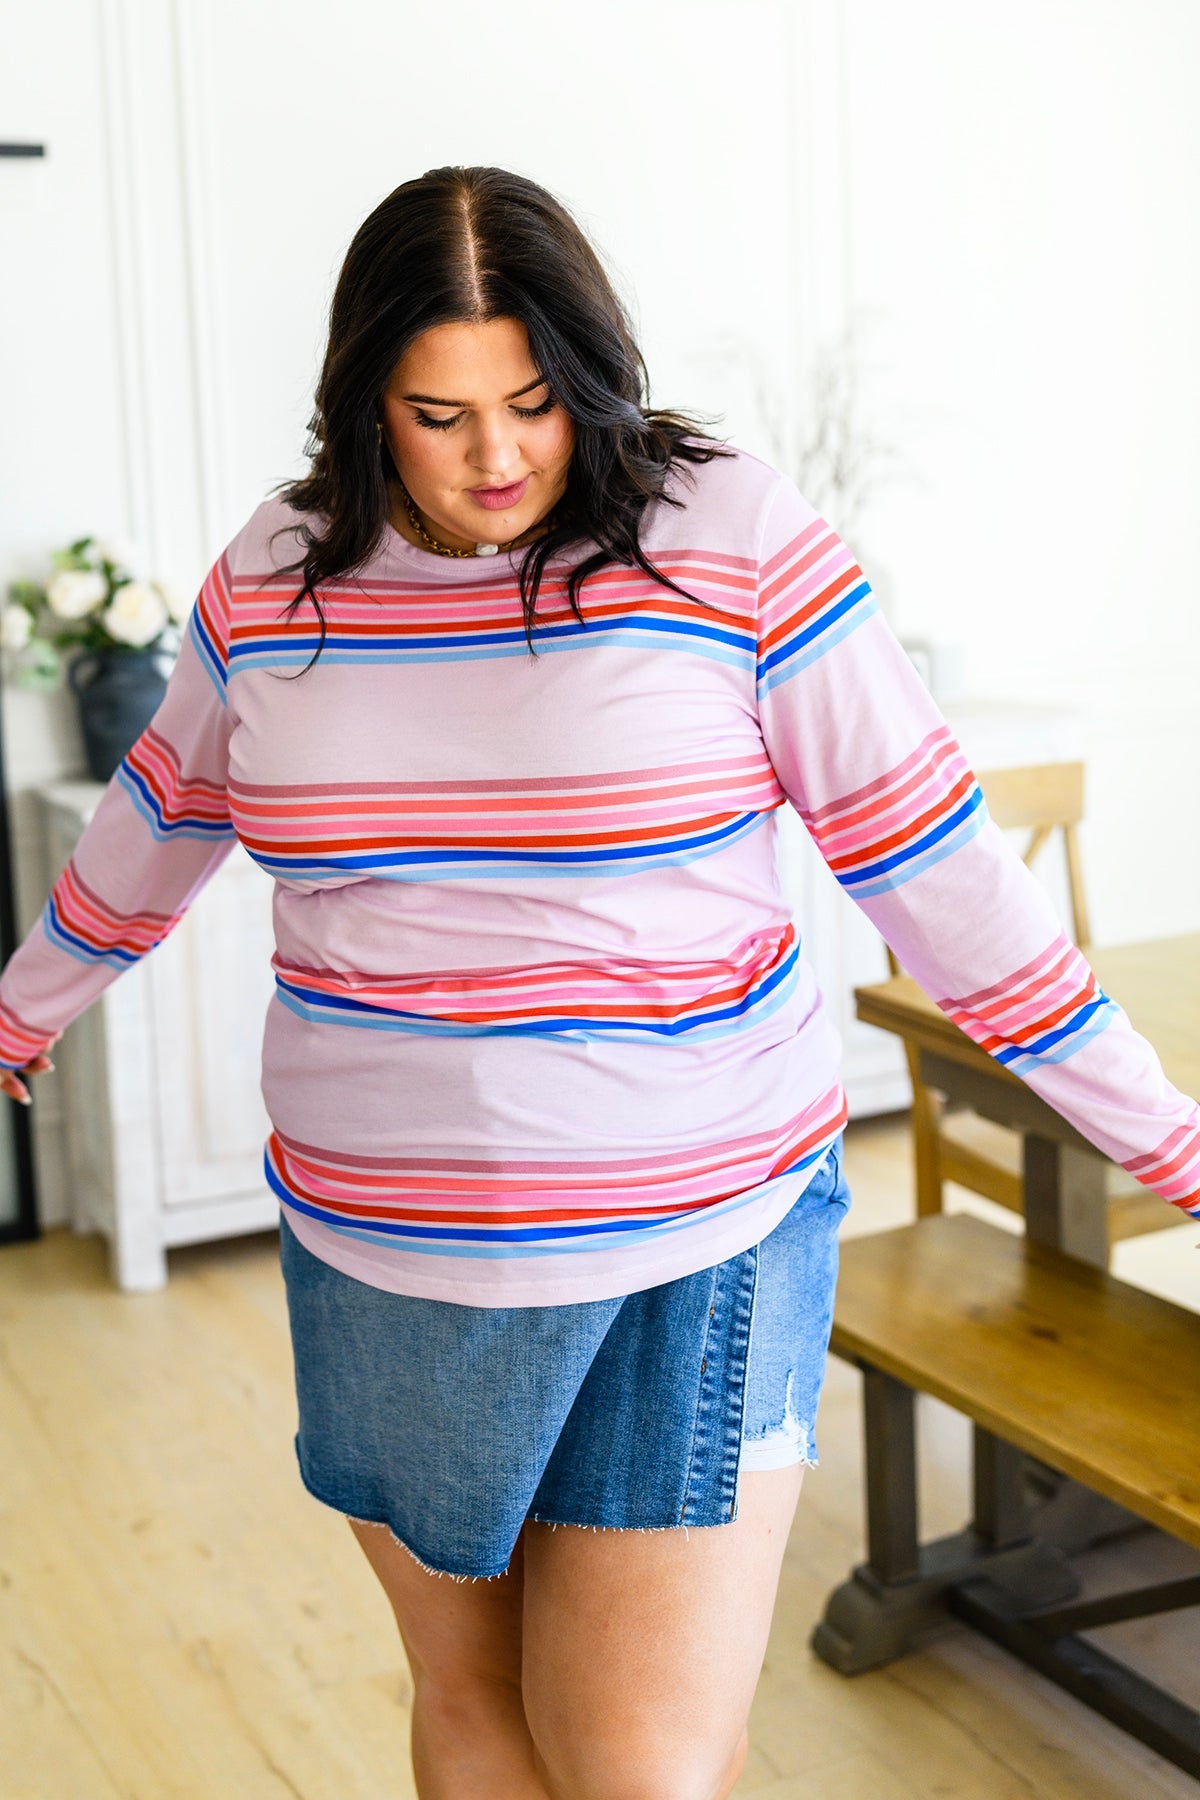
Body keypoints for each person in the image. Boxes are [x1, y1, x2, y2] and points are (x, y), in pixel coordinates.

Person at [1, 164, 1197, 1800]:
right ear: (364, 405)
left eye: (538, 403)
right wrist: (18, 1014)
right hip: (381, 1246)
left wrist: (1172, 1145)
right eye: (438, 413)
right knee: (470, 1703)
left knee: (634, 1766)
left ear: (595, 378)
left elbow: (946, 882)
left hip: (690, 1234)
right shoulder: (275, 572)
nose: (498, 459)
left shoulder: (734, 538)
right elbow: (156, 821)